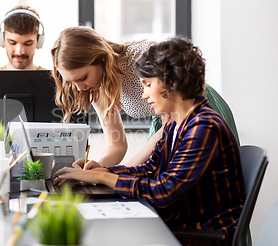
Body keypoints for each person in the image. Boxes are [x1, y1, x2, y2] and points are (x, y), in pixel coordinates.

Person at [53, 36, 245, 246]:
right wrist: (102, 170)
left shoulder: (203, 126)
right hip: (183, 226)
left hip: (203, 243)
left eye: (147, 85)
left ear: (170, 82)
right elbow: (150, 169)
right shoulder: (177, 124)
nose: (143, 95)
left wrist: (103, 177)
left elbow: (164, 191)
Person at [51, 26, 239, 168]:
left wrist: (109, 176)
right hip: (165, 122)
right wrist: (98, 167)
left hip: (191, 108)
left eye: (82, 78)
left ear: (100, 58)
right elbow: (116, 144)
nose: (80, 88)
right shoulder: (95, 87)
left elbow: (167, 129)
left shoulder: (143, 58)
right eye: (72, 82)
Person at [0, 6, 46, 70]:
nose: (19, 52)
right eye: (12, 43)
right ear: (2, 40)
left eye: (28, 43)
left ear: (39, 41)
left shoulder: (54, 79)